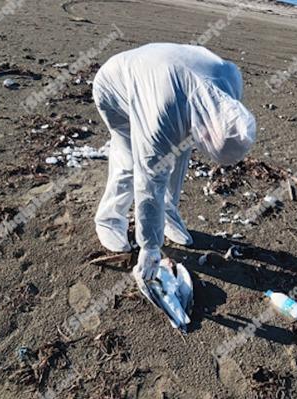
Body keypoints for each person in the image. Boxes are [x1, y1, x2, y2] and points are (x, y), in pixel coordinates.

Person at [92, 43, 256, 282]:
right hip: (116, 86)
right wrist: (149, 246)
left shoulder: (231, 87)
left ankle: (167, 213)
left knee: (179, 154)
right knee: (130, 161)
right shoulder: (162, 115)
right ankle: (109, 219)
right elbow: (149, 181)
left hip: (167, 77)